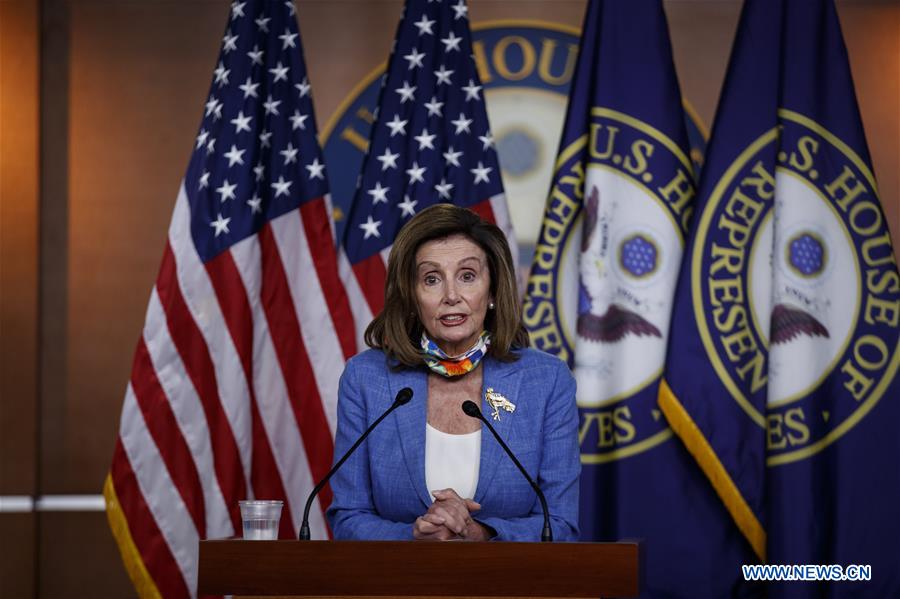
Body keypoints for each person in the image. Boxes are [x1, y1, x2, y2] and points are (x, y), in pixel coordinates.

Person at [326, 204, 579, 541]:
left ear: (491, 291)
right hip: (399, 588)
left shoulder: (546, 381)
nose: (451, 296)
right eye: (432, 279)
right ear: (412, 295)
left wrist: (478, 532)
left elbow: (561, 524)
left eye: (467, 276)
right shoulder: (366, 379)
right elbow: (347, 516)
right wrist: (416, 538)